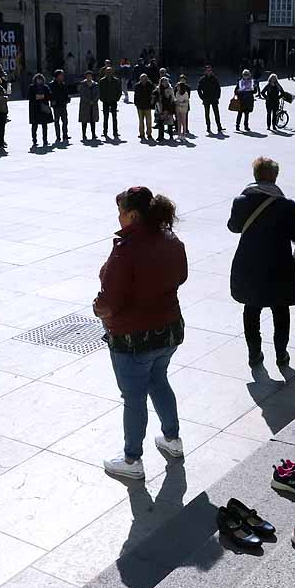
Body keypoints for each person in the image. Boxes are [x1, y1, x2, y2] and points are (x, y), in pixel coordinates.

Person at [94, 187, 188, 481]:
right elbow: (181, 276)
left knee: (133, 397)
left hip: (133, 337)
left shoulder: (126, 248)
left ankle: (132, 459)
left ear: (133, 215)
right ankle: (173, 440)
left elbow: (110, 300)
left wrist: (98, 308)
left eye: (121, 213)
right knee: (159, 380)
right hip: (169, 330)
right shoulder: (171, 239)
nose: (119, 219)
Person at [228, 157, 295, 367]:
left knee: (251, 309)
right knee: (280, 310)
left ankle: (254, 354)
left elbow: (233, 227)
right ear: (274, 177)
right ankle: (281, 354)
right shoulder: (286, 205)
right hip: (278, 266)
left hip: (249, 265)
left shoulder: (241, 201)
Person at [28, 72, 54, 147]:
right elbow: (29, 96)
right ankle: (34, 140)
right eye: (38, 79)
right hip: (35, 109)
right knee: (34, 125)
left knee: (44, 125)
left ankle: (45, 140)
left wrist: (44, 96)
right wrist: (36, 97)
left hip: (43, 108)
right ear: (35, 80)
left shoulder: (45, 87)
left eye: (40, 79)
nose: (39, 81)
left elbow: (50, 95)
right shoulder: (32, 87)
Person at [197, 64, 223, 133]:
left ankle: (219, 126)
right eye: (207, 70)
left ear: (211, 71)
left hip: (214, 98)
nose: (208, 71)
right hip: (206, 99)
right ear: (205, 71)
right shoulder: (202, 79)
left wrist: (218, 96)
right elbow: (199, 89)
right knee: (207, 113)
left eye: (210, 70)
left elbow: (218, 88)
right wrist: (202, 97)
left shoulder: (215, 79)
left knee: (216, 113)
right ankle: (208, 127)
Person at [98, 65, 122, 138]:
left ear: (112, 72)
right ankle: (105, 132)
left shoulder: (116, 80)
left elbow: (119, 91)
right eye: (107, 71)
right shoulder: (102, 81)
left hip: (113, 101)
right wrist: (102, 99)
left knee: (114, 117)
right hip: (105, 101)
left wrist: (117, 98)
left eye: (110, 71)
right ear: (105, 72)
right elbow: (99, 91)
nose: (108, 73)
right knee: (105, 117)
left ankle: (115, 132)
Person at [50, 69, 71, 142]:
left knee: (65, 121)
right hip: (56, 106)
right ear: (57, 76)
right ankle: (58, 136)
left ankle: (65, 135)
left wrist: (68, 99)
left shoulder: (63, 84)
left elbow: (66, 94)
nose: (62, 76)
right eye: (61, 75)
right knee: (57, 121)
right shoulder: (52, 85)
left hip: (63, 105)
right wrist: (52, 101)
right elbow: (50, 95)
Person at [134, 73, 155, 141]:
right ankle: (141, 134)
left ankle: (149, 134)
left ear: (147, 79)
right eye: (142, 79)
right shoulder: (137, 85)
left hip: (148, 105)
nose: (143, 80)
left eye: (145, 78)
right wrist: (136, 103)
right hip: (140, 105)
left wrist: (152, 103)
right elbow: (135, 95)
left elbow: (153, 94)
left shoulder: (150, 85)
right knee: (141, 121)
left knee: (148, 121)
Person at [154, 76, 175, 142]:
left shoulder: (170, 89)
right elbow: (155, 97)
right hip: (160, 107)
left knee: (170, 123)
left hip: (168, 107)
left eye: (166, 81)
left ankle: (171, 136)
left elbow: (172, 98)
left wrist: (170, 107)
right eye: (163, 82)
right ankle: (160, 136)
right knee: (160, 123)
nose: (165, 83)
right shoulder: (158, 89)